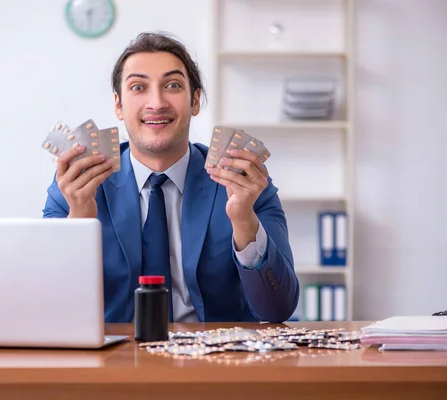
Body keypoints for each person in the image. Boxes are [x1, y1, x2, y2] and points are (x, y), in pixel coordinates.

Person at [42, 31, 299, 323]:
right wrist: (80, 221)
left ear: (195, 101)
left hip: (214, 361)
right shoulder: (73, 186)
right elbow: (52, 310)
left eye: (173, 85)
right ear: (118, 106)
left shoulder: (246, 187)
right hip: (115, 362)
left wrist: (244, 221)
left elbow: (278, 309)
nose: (157, 102)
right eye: (138, 87)